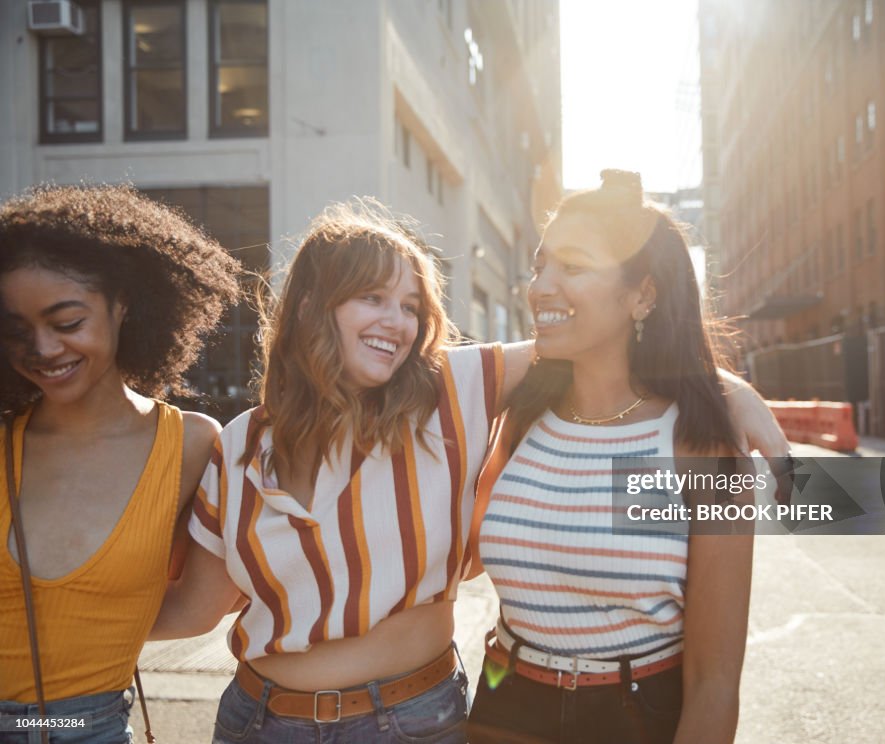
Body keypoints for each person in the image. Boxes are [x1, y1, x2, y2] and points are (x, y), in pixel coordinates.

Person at [151, 200, 785, 743]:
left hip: (453, 716)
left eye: (409, 305)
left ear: (642, 292)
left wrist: (724, 391)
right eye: (372, 298)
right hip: (346, 716)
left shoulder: (451, 395)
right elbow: (194, 608)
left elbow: (722, 659)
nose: (397, 323)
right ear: (314, 306)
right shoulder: (242, 445)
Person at [467, 170, 755, 743]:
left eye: (571, 267)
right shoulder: (522, 418)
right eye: (539, 266)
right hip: (505, 697)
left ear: (642, 295)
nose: (540, 286)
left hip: (635, 715)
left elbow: (714, 682)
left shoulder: (698, 446)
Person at [0, 184, 240, 743]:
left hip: (88, 726)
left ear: (123, 305)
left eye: (66, 323)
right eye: (17, 332)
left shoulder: (192, 445)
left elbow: (199, 609)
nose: (43, 349)